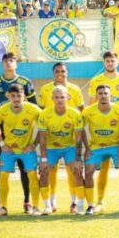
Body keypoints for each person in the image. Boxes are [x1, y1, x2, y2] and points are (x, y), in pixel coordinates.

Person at [0, 52, 36, 214]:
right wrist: (1, 133)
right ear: (2, 63)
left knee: (25, 167)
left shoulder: (25, 82)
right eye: (6, 61)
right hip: (1, 131)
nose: (8, 63)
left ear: (16, 63)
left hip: (22, 131)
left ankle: (27, 202)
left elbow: (34, 107)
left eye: (12, 60)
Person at [88, 51, 119, 206]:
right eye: (107, 61)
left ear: (117, 63)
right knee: (103, 168)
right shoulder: (96, 81)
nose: (110, 63)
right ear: (103, 63)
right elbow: (90, 106)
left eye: (112, 61)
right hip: (102, 131)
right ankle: (99, 202)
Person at [37, 62, 85, 211]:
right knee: (47, 171)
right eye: (57, 71)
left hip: (69, 143)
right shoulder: (45, 91)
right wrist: (43, 159)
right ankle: (50, 203)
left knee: (75, 170)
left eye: (63, 71)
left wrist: (79, 157)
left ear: (67, 97)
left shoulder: (75, 92)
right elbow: (41, 129)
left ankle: (76, 204)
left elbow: (81, 112)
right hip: (51, 144)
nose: (60, 74)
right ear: (52, 98)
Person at [0, 84, 43, 216]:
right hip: (9, 150)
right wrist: (2, 144)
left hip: (27, 150)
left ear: (24, 96)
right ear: (8, 96)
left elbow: (44, 127)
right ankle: (3, 207)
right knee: (3, 175)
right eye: (13, 96)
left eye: (19, 96)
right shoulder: (2, 110)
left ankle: (36, 207)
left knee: (32, 175)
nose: (16, 99)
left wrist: (34, 144)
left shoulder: (33, 109)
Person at [82, 85, 119, 214]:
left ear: (111, 96)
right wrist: (86, 148)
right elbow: (79, 129)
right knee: (88, 171)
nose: (103, 96)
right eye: (100, 93)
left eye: (106, 93)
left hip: (116, 146)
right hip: (96, 147)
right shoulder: (88, 111)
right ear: (96, 96)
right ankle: (90, 205)